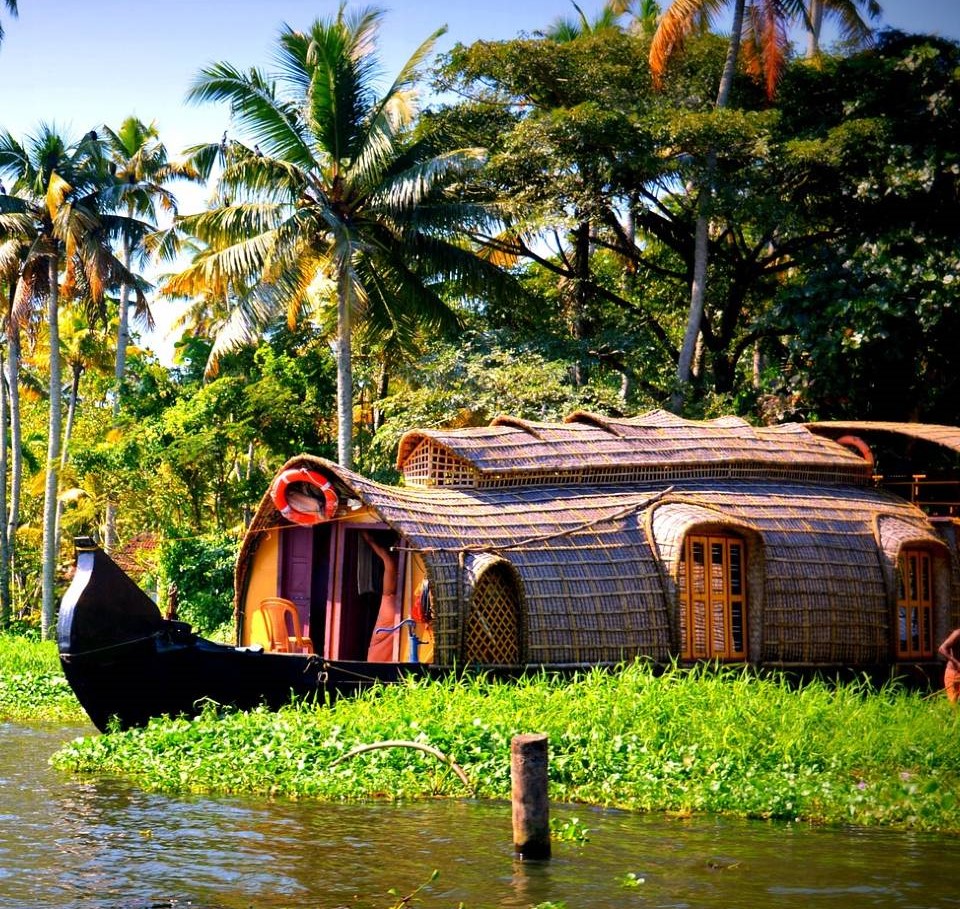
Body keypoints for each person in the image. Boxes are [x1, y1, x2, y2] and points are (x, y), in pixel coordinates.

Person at [360, 531, 398, 662]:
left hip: (390, 605)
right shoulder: (403, 564)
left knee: (378, 648)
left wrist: (369, 540)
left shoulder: (392, 564)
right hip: (398, 607)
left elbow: (386, 558)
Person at [938, 628, 960, 702]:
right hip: (954, 674)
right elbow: (942, 649)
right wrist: (957, 663)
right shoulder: (957, 633)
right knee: (953, 704)